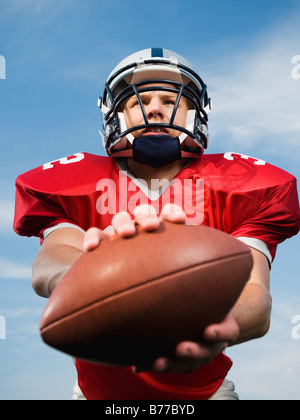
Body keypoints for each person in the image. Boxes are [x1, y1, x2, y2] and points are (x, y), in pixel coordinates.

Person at [13, 48, 300, 400]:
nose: (154, 108)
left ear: (196, 113)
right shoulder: (76, 183)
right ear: (115, 115)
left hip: (204, 394)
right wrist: (111, 277)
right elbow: (48, 265)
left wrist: (201, 323)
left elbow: (255, 300)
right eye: (139, 100)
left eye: (169, 98)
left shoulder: (241, 186)